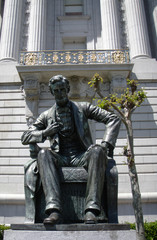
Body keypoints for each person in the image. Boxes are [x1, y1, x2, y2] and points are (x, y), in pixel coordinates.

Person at [21, 75, 121, 225]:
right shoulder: (46, 116)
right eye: (56, 91)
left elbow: (113, 119)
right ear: (52, 93)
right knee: (43, 153)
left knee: (97, 150)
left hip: (81, 156)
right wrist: (45, 133)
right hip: (60, 158)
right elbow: (25, 137)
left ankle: (91, 210)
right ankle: (54, 209)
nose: (60, 93)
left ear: (67, 90)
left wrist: (106, 144)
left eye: (62, 90)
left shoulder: (83, 108)